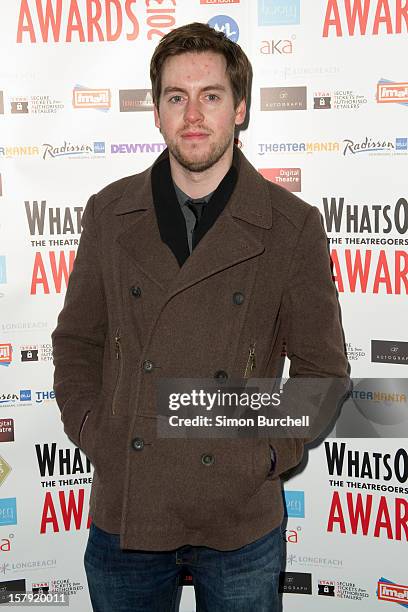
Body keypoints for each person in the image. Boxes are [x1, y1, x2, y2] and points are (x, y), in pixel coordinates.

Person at [52, 22, 349, 612]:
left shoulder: (291, 225)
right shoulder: (110, 213)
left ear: (239, 109)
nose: (194, 114)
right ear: (156, 113)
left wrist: (266, 453)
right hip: (130, 509)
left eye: (211, 96)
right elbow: (76, 341)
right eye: (176, 97)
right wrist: (95, 433)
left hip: (239, 516)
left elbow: (322, 371)